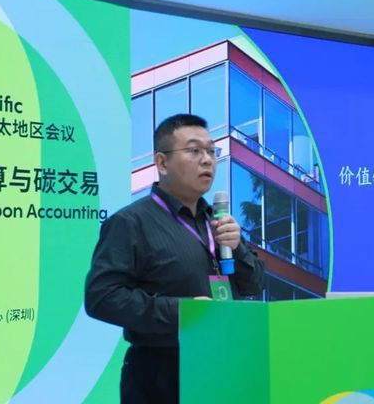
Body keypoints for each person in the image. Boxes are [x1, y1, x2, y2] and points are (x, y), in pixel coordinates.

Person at [85, 114, 266, 404]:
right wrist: (182, 312)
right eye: (194, 151)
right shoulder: (130, 223)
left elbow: (254, 284)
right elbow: (102, 297)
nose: (207, 160)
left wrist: (238, 248)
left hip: (223, 366)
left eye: (211, 151)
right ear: (162, 163)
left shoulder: (218, 222)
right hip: (160, 375)